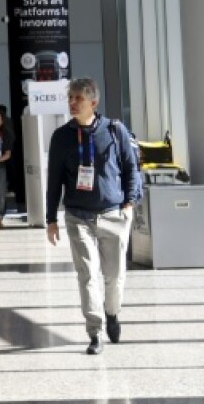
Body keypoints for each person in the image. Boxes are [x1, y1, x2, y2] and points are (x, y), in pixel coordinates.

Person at [46, 77, 142, 356]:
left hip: (113, 214)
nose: (72, 103)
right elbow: (54, 180)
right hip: (78, 216)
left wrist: (129, 204)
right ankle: (95, 331)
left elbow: (130, 168)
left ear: (93, 102)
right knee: (87, 275)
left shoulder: (115, 130)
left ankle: (112, 313)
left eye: (78, 98)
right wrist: (51, 218)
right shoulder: (62, 136)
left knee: (114, 276)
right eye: (70, 98)